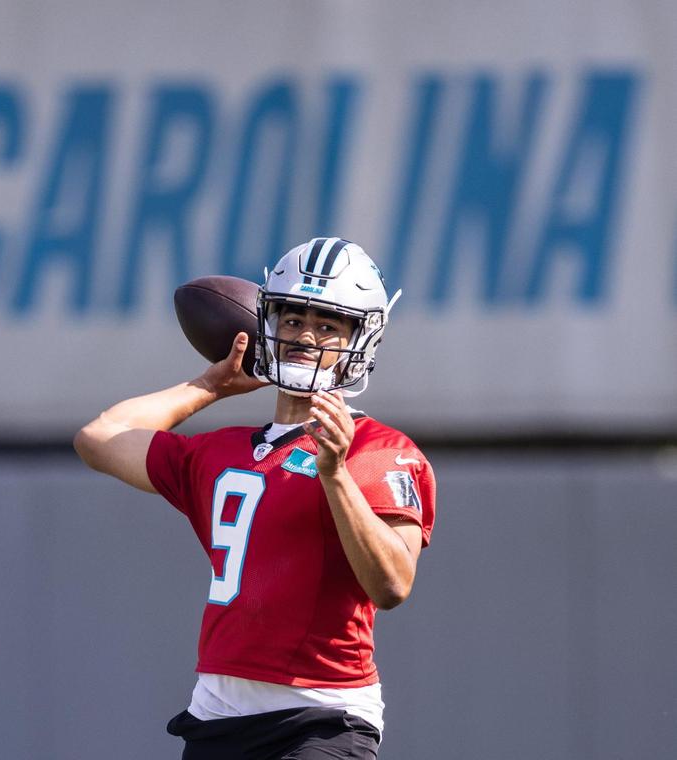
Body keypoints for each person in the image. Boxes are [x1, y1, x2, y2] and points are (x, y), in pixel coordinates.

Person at [74, 237, 436, 759]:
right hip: (215, 719)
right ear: (266, 324)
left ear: (360, 339)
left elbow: (392, 584)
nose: (305, 336)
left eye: (328, 325)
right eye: (292, 319)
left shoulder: (380, 450)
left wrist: (334, 473)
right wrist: (209, 386)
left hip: (321, 716)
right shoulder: (221, 452)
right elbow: (100, 437)